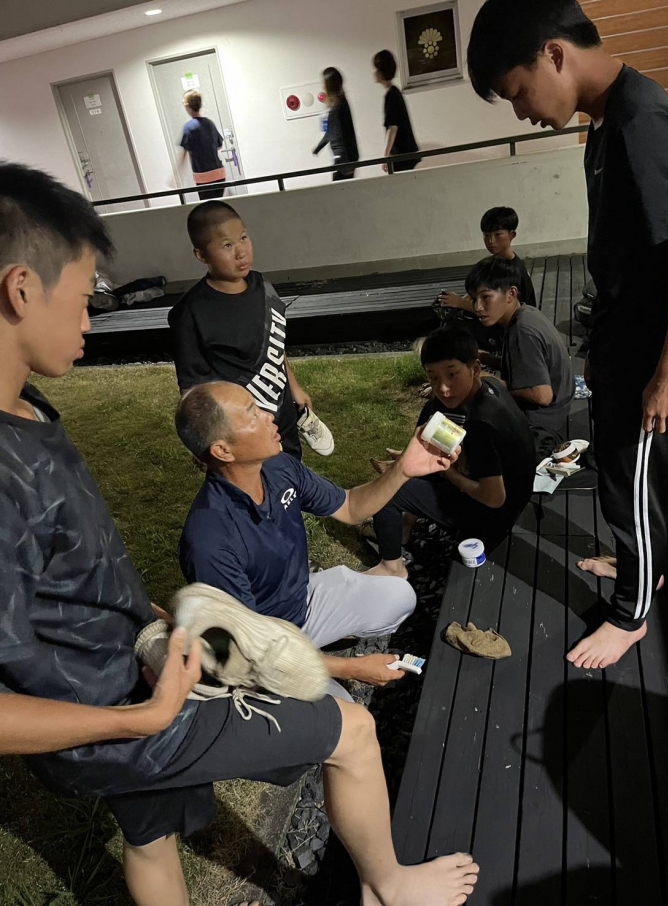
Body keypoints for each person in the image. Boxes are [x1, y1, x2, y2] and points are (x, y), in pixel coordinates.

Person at [0, 161, 480, 906]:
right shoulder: (204, 533)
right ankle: (387, 888)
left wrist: (146, 619)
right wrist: (147, 714)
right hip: (131, 711)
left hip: (147, 667)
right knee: (351, 732)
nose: (92, 317)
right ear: (22, 288)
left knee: (151, 839)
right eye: (86, 293)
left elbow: (69, 582)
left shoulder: (29, 410)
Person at [467, 0, 668, 670]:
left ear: (554, 54)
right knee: (630, 475)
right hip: (623, 344)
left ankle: (632, 612)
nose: (521, 112)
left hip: (651, 355)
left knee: (629, 478)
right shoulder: (607, 122)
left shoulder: (642, 122)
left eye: (518, 92)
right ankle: (646, 564)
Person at [175, 381, 432, 699]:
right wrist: (353, 668)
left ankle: (315, 651)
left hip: (302, 602)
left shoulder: (278, 467)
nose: (270, 415)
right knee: (349, 715)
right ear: (223, 450)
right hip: (261, 649)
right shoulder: (209, 543)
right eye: (253, 414)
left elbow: (350, 507)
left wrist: (403, 470)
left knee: (399, 595)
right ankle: (300, 678)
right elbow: (247, 652)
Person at [168, 201, 333, 460]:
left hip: (283, 415)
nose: (241, 252)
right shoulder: (189, 314)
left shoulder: (262, 285)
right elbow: (191, 390)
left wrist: (294, 388)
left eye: (243, 238)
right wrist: (205, 445)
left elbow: (274, 345)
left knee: (292, 472)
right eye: (227, 245)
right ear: (201, 255)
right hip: (243, 431)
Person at [369, 325, 535, 578]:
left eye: (452, 375)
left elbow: (494, 498)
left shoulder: (482, 425)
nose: (443, 387)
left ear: (475, 368)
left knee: (387, 492)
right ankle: (406, 516)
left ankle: (391, 568)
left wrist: (450, 474)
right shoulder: (492, 387)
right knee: (434, 414)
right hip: (517, 496)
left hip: (494, 516)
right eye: (433, 377)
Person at [465, 256, 573, 462]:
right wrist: (487, 358)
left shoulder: (523, 332)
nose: (478, 307)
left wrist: (491, 382)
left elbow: (542, 396)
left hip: (541, 428)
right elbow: (525, 366)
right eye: (473, 299)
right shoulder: (527, 313)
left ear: (511, 294)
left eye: (485, 297)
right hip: (556, 415)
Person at [438, 207, 537, 313]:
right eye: (486, 235)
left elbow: (497, 312)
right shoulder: (496, 263)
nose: (491, 241)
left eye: (497, 234)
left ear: (512, 235)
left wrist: (460, 303)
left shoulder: (514, 271)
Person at [373, 50, 420, 173]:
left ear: (380, 72)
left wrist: (385, 155)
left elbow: (392, 127)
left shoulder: (391, 96)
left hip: (402, 155)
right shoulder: (395, 92)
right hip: (406, 154)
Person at [313, 67, 360, 181]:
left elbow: (344, 135)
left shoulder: (339, 107)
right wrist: (318, 148)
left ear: (329, 85)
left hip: (344, 160)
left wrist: (345, 163)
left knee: (341, 189)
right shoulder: (338, 105)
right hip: (344, 159)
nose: (323, 87)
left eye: (324, 84)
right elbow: (331, 132)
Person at [179, 90, 226, 201]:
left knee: (207, 207)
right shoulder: (210, 123)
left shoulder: (189, 127)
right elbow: (219, 145)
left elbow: (184, 154)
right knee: (218, 203)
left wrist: (177, 175)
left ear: (187, 106)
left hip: (203, 177)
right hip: (219, 174)